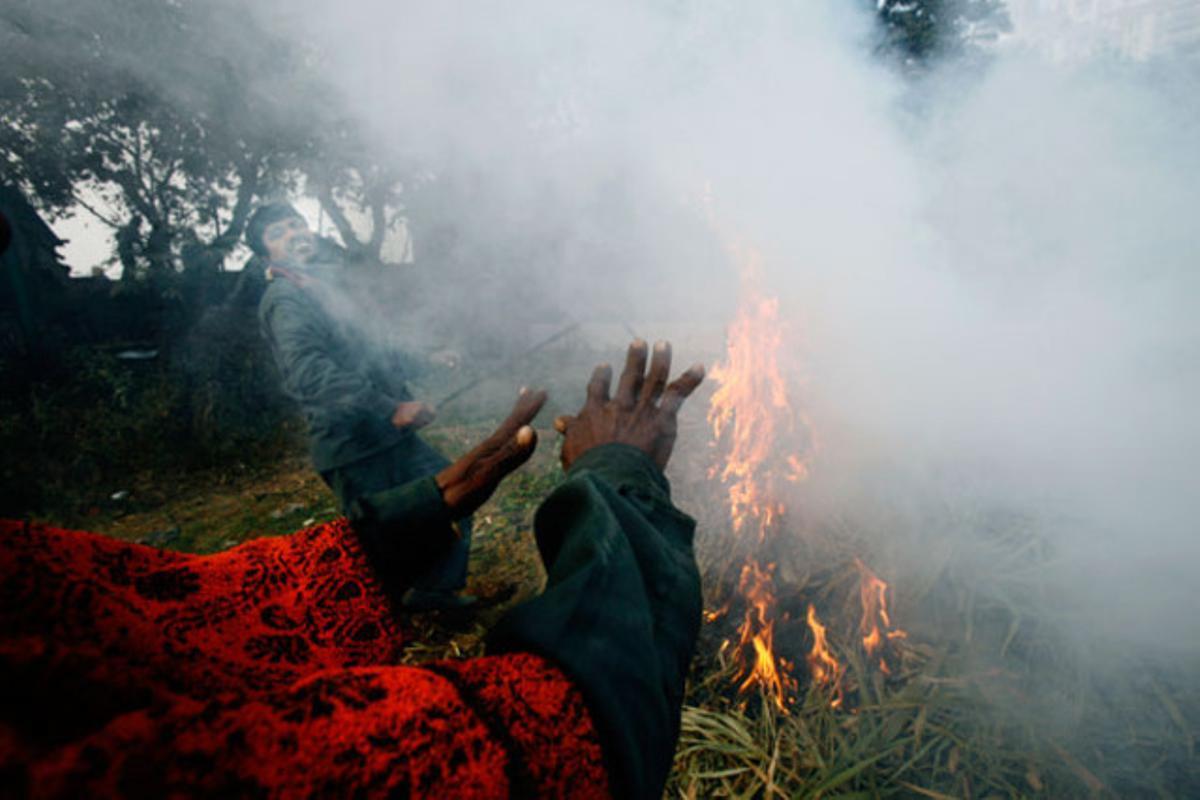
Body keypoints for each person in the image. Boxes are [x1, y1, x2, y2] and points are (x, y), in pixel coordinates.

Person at [0, 339, 706, 799]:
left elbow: (165, 617)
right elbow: (552, 728)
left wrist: (400, 523)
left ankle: (438, 583)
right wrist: (620, 474)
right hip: (350, 440)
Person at [248, 202, 470, 611]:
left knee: (457, 496)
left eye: (296, 223)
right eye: (278, 232)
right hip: (353, 448)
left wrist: (428, 358)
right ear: (267, 255)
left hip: (387, 439)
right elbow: (309, 373)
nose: (295, 233)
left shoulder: (325, 288)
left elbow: (374, 347)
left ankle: (433, 595)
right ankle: (378, 625)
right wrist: (390, 407)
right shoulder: (285, 297)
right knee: (380, 546)